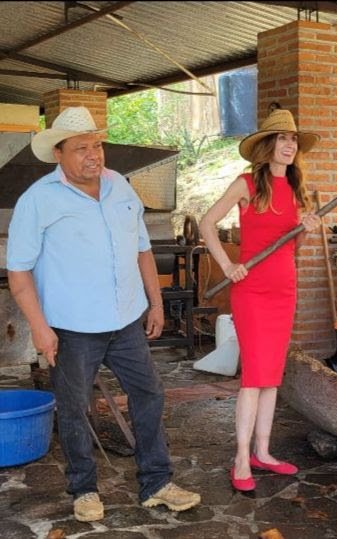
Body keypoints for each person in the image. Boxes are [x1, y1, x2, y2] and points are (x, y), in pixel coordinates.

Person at [7, 106, 200, 522]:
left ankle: (156, 482)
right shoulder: (38, 200)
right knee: (75, 406)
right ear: (58, 153)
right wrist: (39, 328)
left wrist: (157, 302)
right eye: (81, 148)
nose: (93, 155)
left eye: (97, 145)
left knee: (149, 393)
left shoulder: (120, 187)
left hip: (126, 320)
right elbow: (18, 270)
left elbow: (143, 250)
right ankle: (84, 488)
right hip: (72, 327)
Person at [199, 108, 321, 492]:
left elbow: (293, 247)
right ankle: (240, 458)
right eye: (283, 138)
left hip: (284, 288)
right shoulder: (247, 183)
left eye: (294, 139)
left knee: (271, 376)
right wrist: (227, 264)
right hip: (251, 290)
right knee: (253, 376)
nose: (289, 145)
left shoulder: (299, 189)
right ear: (268, 145)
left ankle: (263, 453)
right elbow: (206, 223)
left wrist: (306, 230)